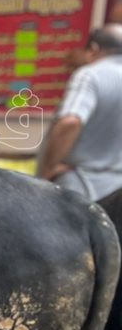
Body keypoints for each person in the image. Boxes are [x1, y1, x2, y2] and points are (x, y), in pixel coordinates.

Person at [38, 24, 122, 200]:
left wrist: (49, 168)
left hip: (83, 187)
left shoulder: (90, 75)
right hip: (117, 193)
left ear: (93, 49)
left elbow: (70, 123)